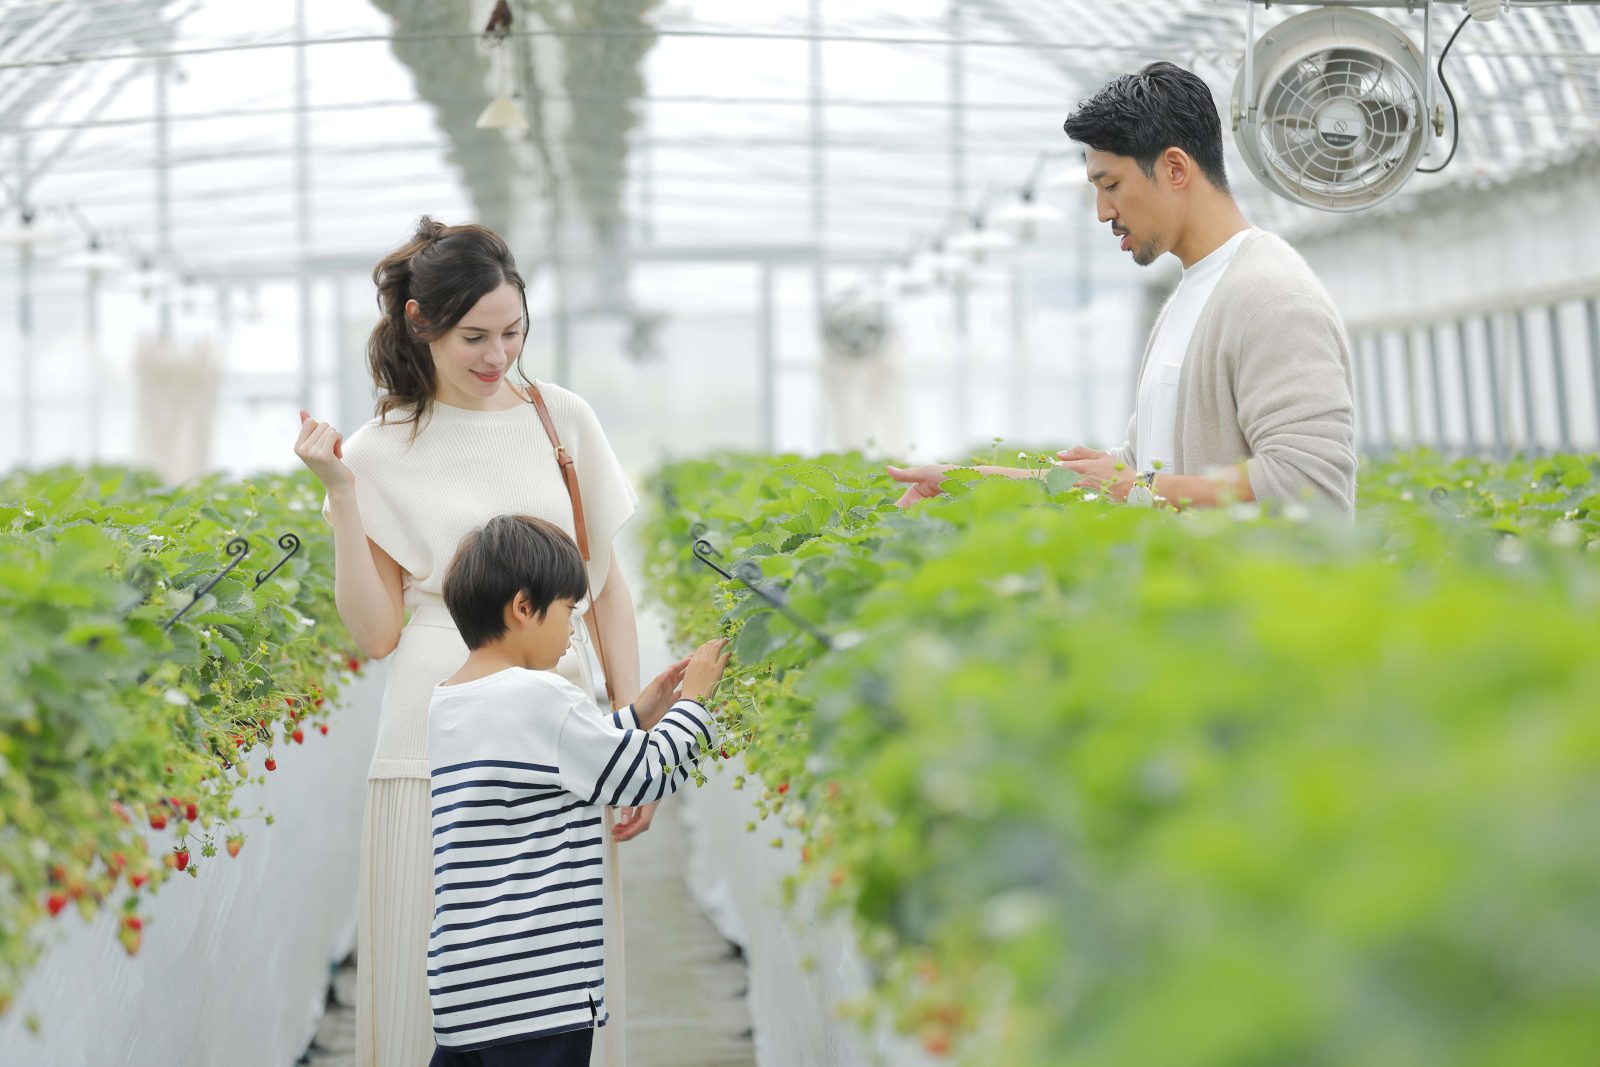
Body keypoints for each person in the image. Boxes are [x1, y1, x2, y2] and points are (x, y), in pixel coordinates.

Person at [293, 217, 653, 1067]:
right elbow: (378, 632)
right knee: (434, 997)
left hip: (558, 733)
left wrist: (628, 735)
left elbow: (606, 594)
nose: (499, 356)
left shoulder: (561, 419)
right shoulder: (380, 449)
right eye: (475, 337)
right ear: (420, 323)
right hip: (431, 746)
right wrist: (342, 494)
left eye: (514, 332)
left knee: (557, 999)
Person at [888, 61, 1357, 513]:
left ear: (1175, 168)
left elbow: (1306, 481)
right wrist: (967, 482)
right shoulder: (1191, 296)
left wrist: (1134, 486)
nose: (1101, 212)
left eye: (1110, 184)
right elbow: (1142, 472)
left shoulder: (1271, 297)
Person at [426, 515, 729, 1066]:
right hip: (538, 988)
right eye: (569, 610)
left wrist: (638, 715)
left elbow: (551, 762)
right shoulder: (543, 696)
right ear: (523, 607)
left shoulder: (449, 701)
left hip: (466, 988)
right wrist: (695, 703)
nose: (573, 630)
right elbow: (643, 774)